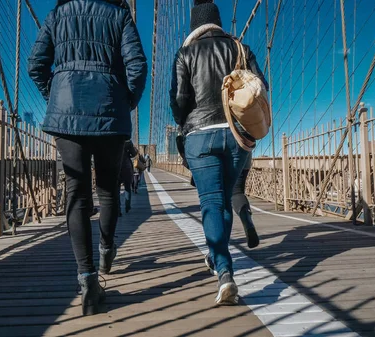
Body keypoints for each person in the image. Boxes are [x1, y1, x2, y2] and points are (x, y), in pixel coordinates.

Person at [28, 0, 147, 316]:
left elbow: (35, 65)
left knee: (76, 194)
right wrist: (127, 101)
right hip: (109, 113)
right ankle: (107, 250)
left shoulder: (56, 15)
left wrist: (55, 97)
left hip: (66, 114)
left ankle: (88, 281)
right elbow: (137, 65)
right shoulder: (120, 16)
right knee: (108, 192)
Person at [170, 0, 267, 305]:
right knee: (224, 202)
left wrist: (184, 120)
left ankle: (224, 271)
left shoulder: (185, 53)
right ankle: (217, 258)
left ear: (194, 27)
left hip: (200, 136)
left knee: (211, 203)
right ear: (217, 22)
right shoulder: (241, 49)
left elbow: (179, 101)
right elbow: (260, 87)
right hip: (238, 135)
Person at [232, 153, 259, 249]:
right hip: (242, 149)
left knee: (215, 198)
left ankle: (218, 247)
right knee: (237, 192)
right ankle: (248, 223)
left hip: (213, 152)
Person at [119, 140, 138, 216]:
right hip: (127, 168)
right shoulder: (127, 141)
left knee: (116, 190)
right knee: (127, 188)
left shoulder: (111, 138)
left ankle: (118, 209)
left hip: (116, 167)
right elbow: (133, 154)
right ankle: (127, 206)